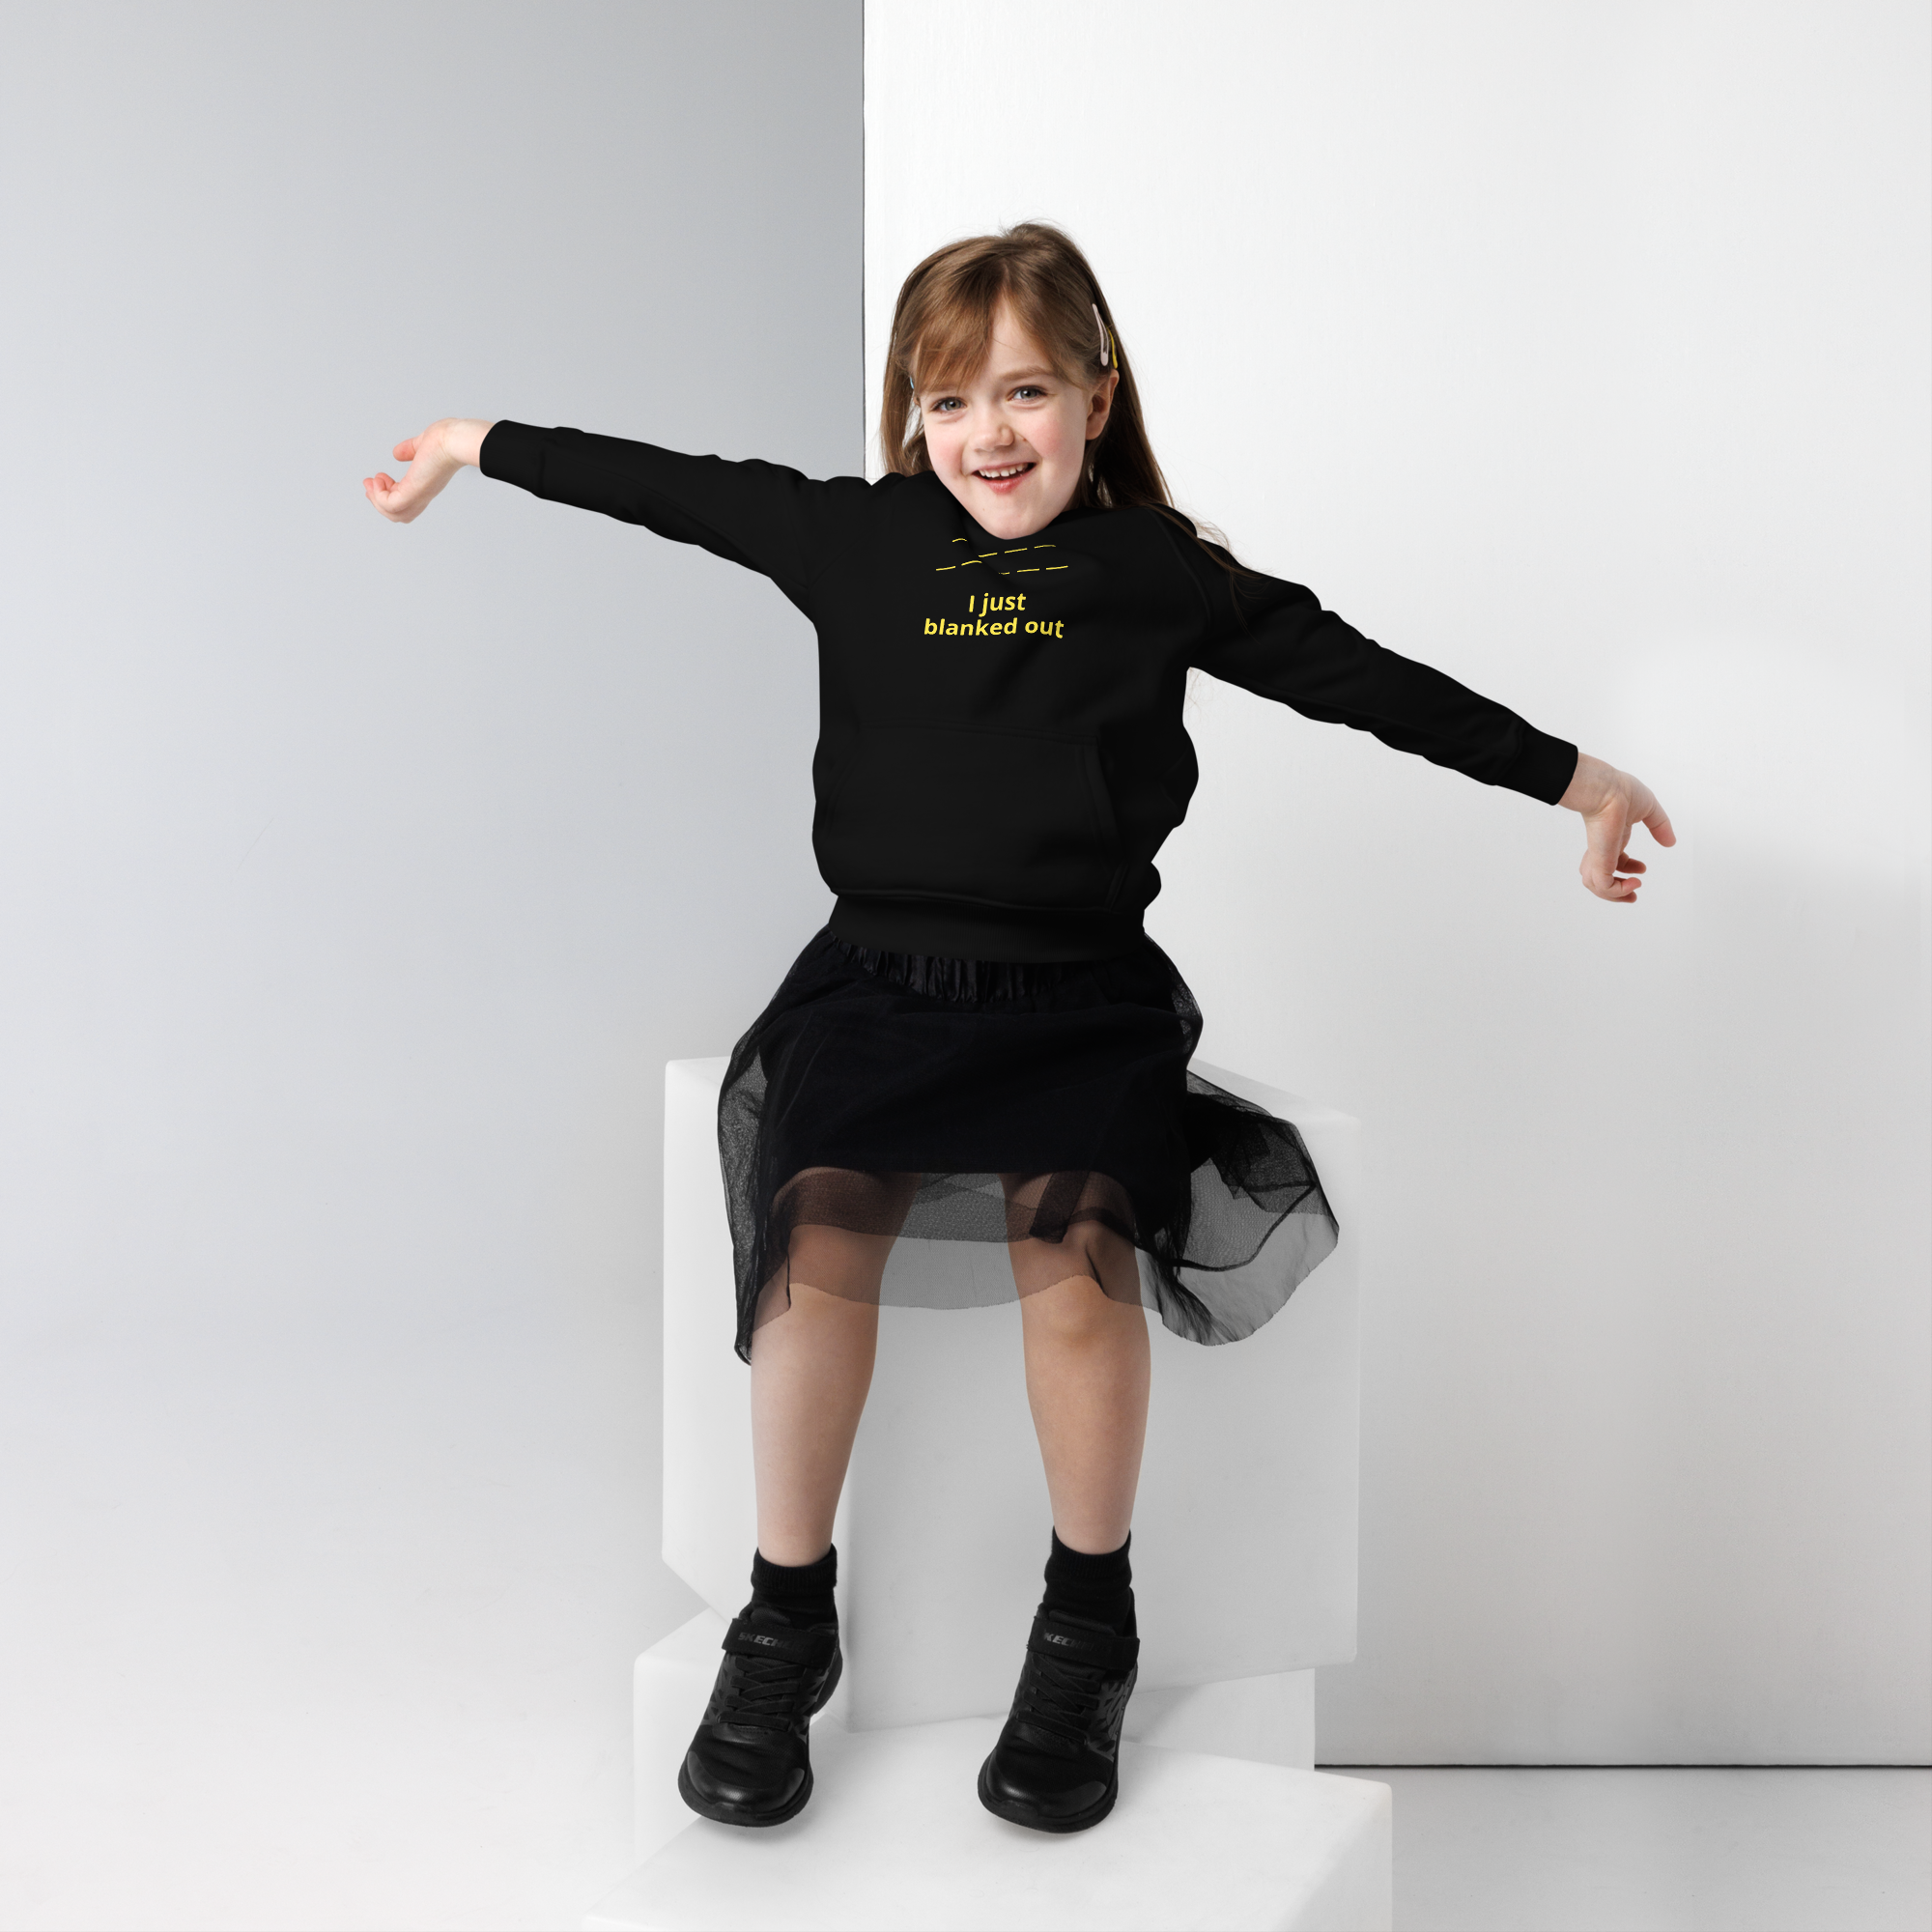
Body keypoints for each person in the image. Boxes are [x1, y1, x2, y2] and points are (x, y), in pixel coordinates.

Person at [364, 222, 1671, 1835]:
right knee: (813, 1245)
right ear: (910, 413)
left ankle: (1088, 1620)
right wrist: (474, 446)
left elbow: (1361, 680)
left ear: (1099, 395)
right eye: (949, 399)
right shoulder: (855, 539)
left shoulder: (1155, 573)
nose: (989, 431)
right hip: (880, 987)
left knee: (1080, 1273)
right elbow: (668, 484)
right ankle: (785, 1616)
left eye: (1029, 390)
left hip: (1078, 1001)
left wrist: (1574, 778)